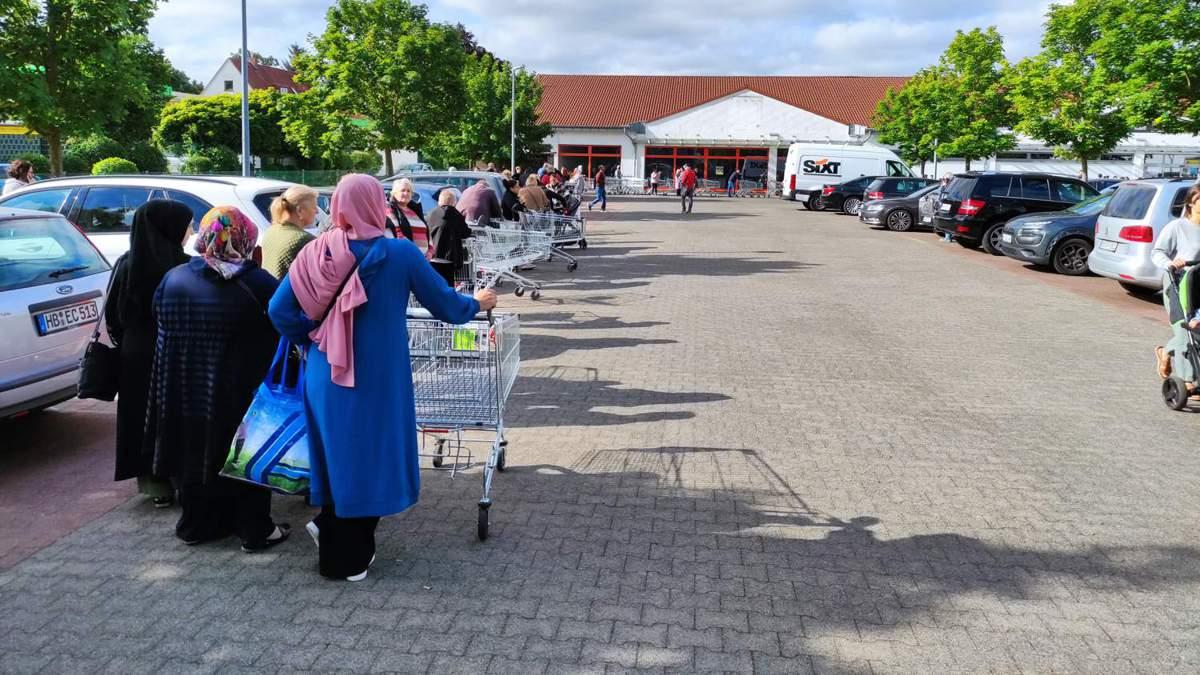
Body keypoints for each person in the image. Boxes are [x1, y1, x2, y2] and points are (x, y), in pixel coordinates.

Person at [268, 174, 497, 581]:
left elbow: (279, 310)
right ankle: (346, 558)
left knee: (337, 452)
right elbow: (445, 305)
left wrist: (316, 338)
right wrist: (475, 303)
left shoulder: (315, 250)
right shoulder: (399, 253)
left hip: (325, 372)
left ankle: (329, 525)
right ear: (377, 204)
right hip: (377, 374)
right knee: (371, 456)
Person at [144, 206, 289, 551]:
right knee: (242, 456)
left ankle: (197, 525)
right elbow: (282, 326)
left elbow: (157, 320)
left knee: (193, 454)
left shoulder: (174, 278)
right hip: (238, 391)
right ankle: (254, 530)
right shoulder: (258, 283)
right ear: (245, 238)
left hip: (183, 388)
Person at [106, 199, 194, 509]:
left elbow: (114, 314)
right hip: (175, 352)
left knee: (139, 416)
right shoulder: (185, 266)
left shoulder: (127, 263)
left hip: (136, 352)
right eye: (186, 224)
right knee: (174, 415)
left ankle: (155, 485)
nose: (190, 230)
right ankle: (181, 478)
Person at [1153, 185, 1200, 380]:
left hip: (1199, 283)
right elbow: (1157, 252)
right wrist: (1171, 263)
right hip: (1179, 282)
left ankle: (1166, 352)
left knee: (1197, 330)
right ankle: (1188, 380)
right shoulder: (1178, 227)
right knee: (1183, 331)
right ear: (1191, 203)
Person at [261, 185, 318, 279]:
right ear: (300, 210)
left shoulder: (271, 230)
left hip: (269, 291)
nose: (317, 211)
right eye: (314, 207)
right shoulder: (304, 240)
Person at [427, 189, 473, 287]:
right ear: (453, 202)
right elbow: (466, 232)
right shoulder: (456, 214)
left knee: (434, 284)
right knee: (448, 286)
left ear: (440, 201)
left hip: (432, 255)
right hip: (449, 256)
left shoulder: (431, 213)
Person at [386, 178, 429, 254]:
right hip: (406, 256)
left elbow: (426, 231)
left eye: (408, 191)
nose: (406, 193)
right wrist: (414, 254)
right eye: (403, 190)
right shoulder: (390, 209)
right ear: (394, 193)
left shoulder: (415, 210)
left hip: (423, 259)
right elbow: (397, 234)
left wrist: (430, 251)